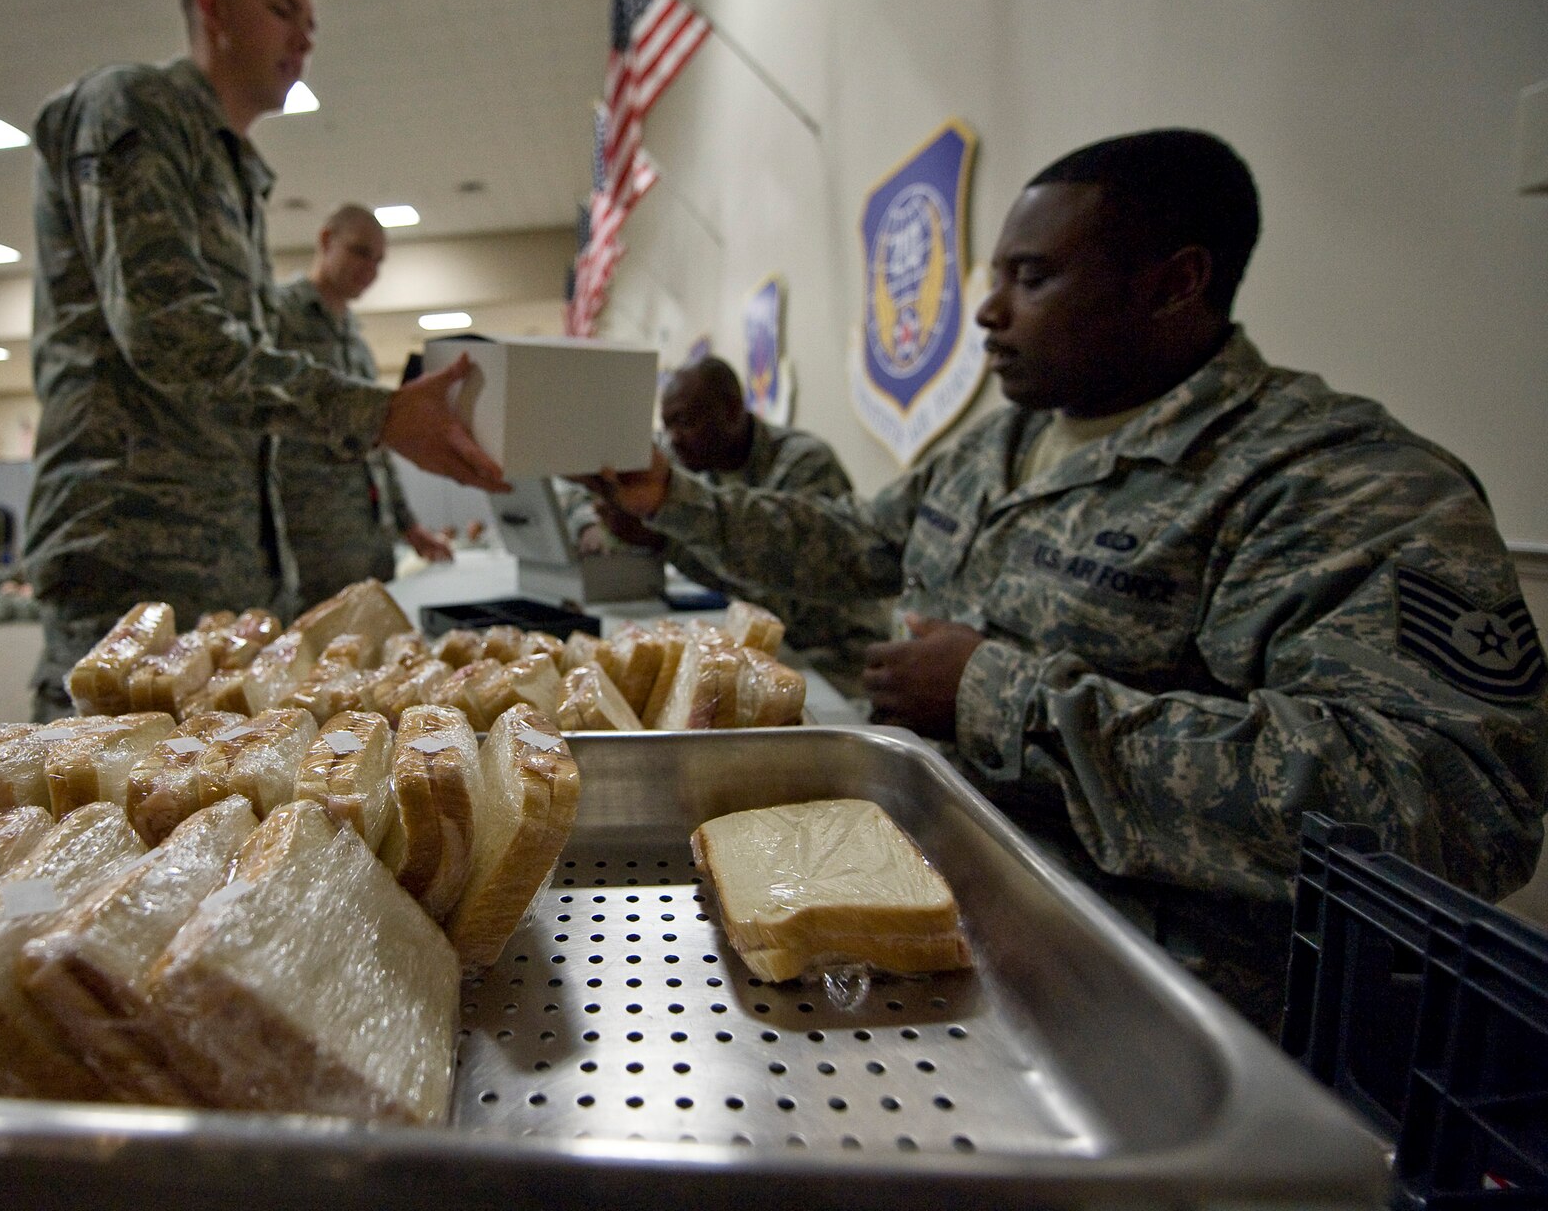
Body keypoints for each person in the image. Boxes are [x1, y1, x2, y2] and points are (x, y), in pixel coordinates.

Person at [590, 129, 1547, 1029]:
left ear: (1176, 284)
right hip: (941, 918)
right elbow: (853, 545)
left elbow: (1453, 804)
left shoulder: (1334, 482)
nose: (989, 310)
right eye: (994, 274)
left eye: (1032, 277)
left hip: (1152, 1006)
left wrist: (999, 699)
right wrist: (673, 497)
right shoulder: (1001, 444)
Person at [25, 0, 504, 720]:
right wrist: (378, 413)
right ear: (212, 5)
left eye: (311, 26)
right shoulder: (135, 110)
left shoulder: (234, 169)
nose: (302, 42)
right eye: (284, 12)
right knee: (104, 817)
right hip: (134, 555)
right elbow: (170, 335)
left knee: (213, 817)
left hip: (226, 561)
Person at [576, 355, 882, 683]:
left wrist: (666, 544)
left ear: (732, 410)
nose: (674, 438)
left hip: (831, 659)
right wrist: (594, 521)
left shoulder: (803, 464)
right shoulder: (697, 459)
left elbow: (780, 600)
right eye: (668, 425)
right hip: (765, 653)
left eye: (685, 422)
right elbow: (586, 497)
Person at [273, 204, 456, 609]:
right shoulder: (278, 315)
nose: (370, 269)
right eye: (360, 252)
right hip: (308, 541)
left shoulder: (355, 339)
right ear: (325, 240)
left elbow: (375, 441)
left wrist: (409, 526)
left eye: (379, 261)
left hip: (368, 538)